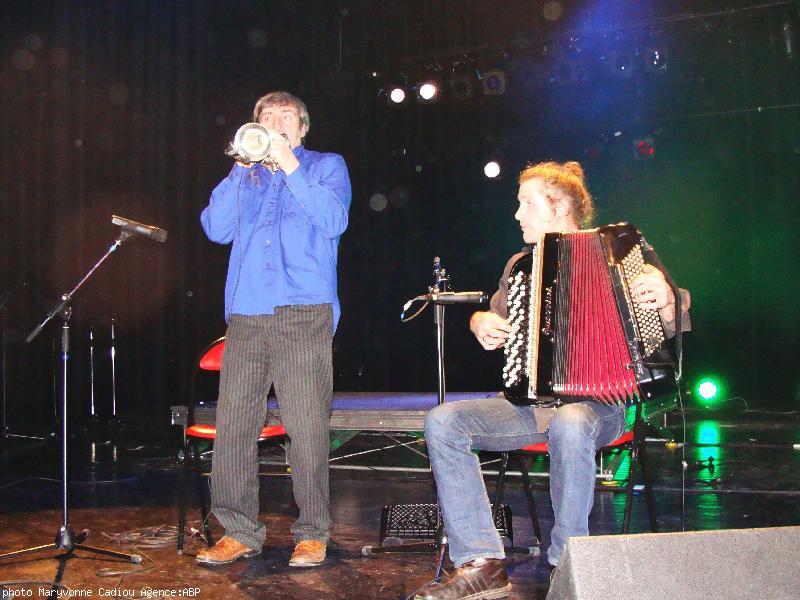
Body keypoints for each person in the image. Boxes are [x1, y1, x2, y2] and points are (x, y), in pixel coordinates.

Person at [415, 161, 691, 599]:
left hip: (602, 408)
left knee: (571, 420)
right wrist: (479, 322)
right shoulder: (521, 265)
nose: (517, 214)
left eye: (526, 203)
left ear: (559, 206)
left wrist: (666, 299)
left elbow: (674, 318)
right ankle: (482, 563)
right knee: (444, 421)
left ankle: (567, 564)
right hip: (529, 407)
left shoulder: (624, 252)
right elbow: (493, 315)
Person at [197, 91, 351, 568]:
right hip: (247, 314)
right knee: (234, 427)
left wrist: (290, 165)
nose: (277, 123)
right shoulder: (245, 176)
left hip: (304, 312)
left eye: (286, 117)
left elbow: (333, 219)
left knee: (306, 428)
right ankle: (239, 530)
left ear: (302, 128)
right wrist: (238, 169)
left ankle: (313, 532)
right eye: (267, 117)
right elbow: (214, 228)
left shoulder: (326, 166)